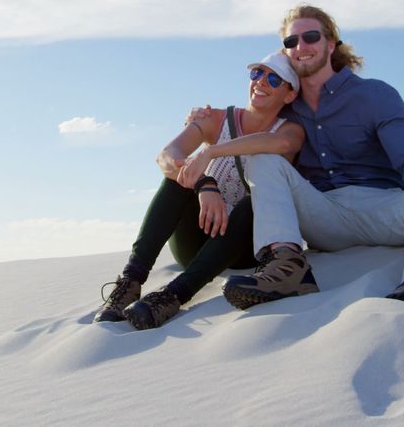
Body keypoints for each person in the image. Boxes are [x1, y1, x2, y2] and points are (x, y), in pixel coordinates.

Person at [187, 4, 404, 313]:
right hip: (321, 214)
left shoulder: (374, 94)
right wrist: (202, 120)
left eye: (311, 37)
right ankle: (286, 270)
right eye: (292, 42)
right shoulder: (287, 110)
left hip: (380, 207)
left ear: (330, 44)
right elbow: (248, 119)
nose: (301, 47)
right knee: (264, 159)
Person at [94, 52, 305, 329]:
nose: (261, 82)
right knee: (177, 177)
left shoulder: (290, 131)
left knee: (253, 202)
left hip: (241, 250)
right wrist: (205, 183)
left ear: (289, 96)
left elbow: (280, 145)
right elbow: (167, 155)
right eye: (257, 73)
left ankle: (172, 296)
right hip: (196, 239)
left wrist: (211, 153)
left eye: (274, 79)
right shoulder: (215, 119)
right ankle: (129, 283)